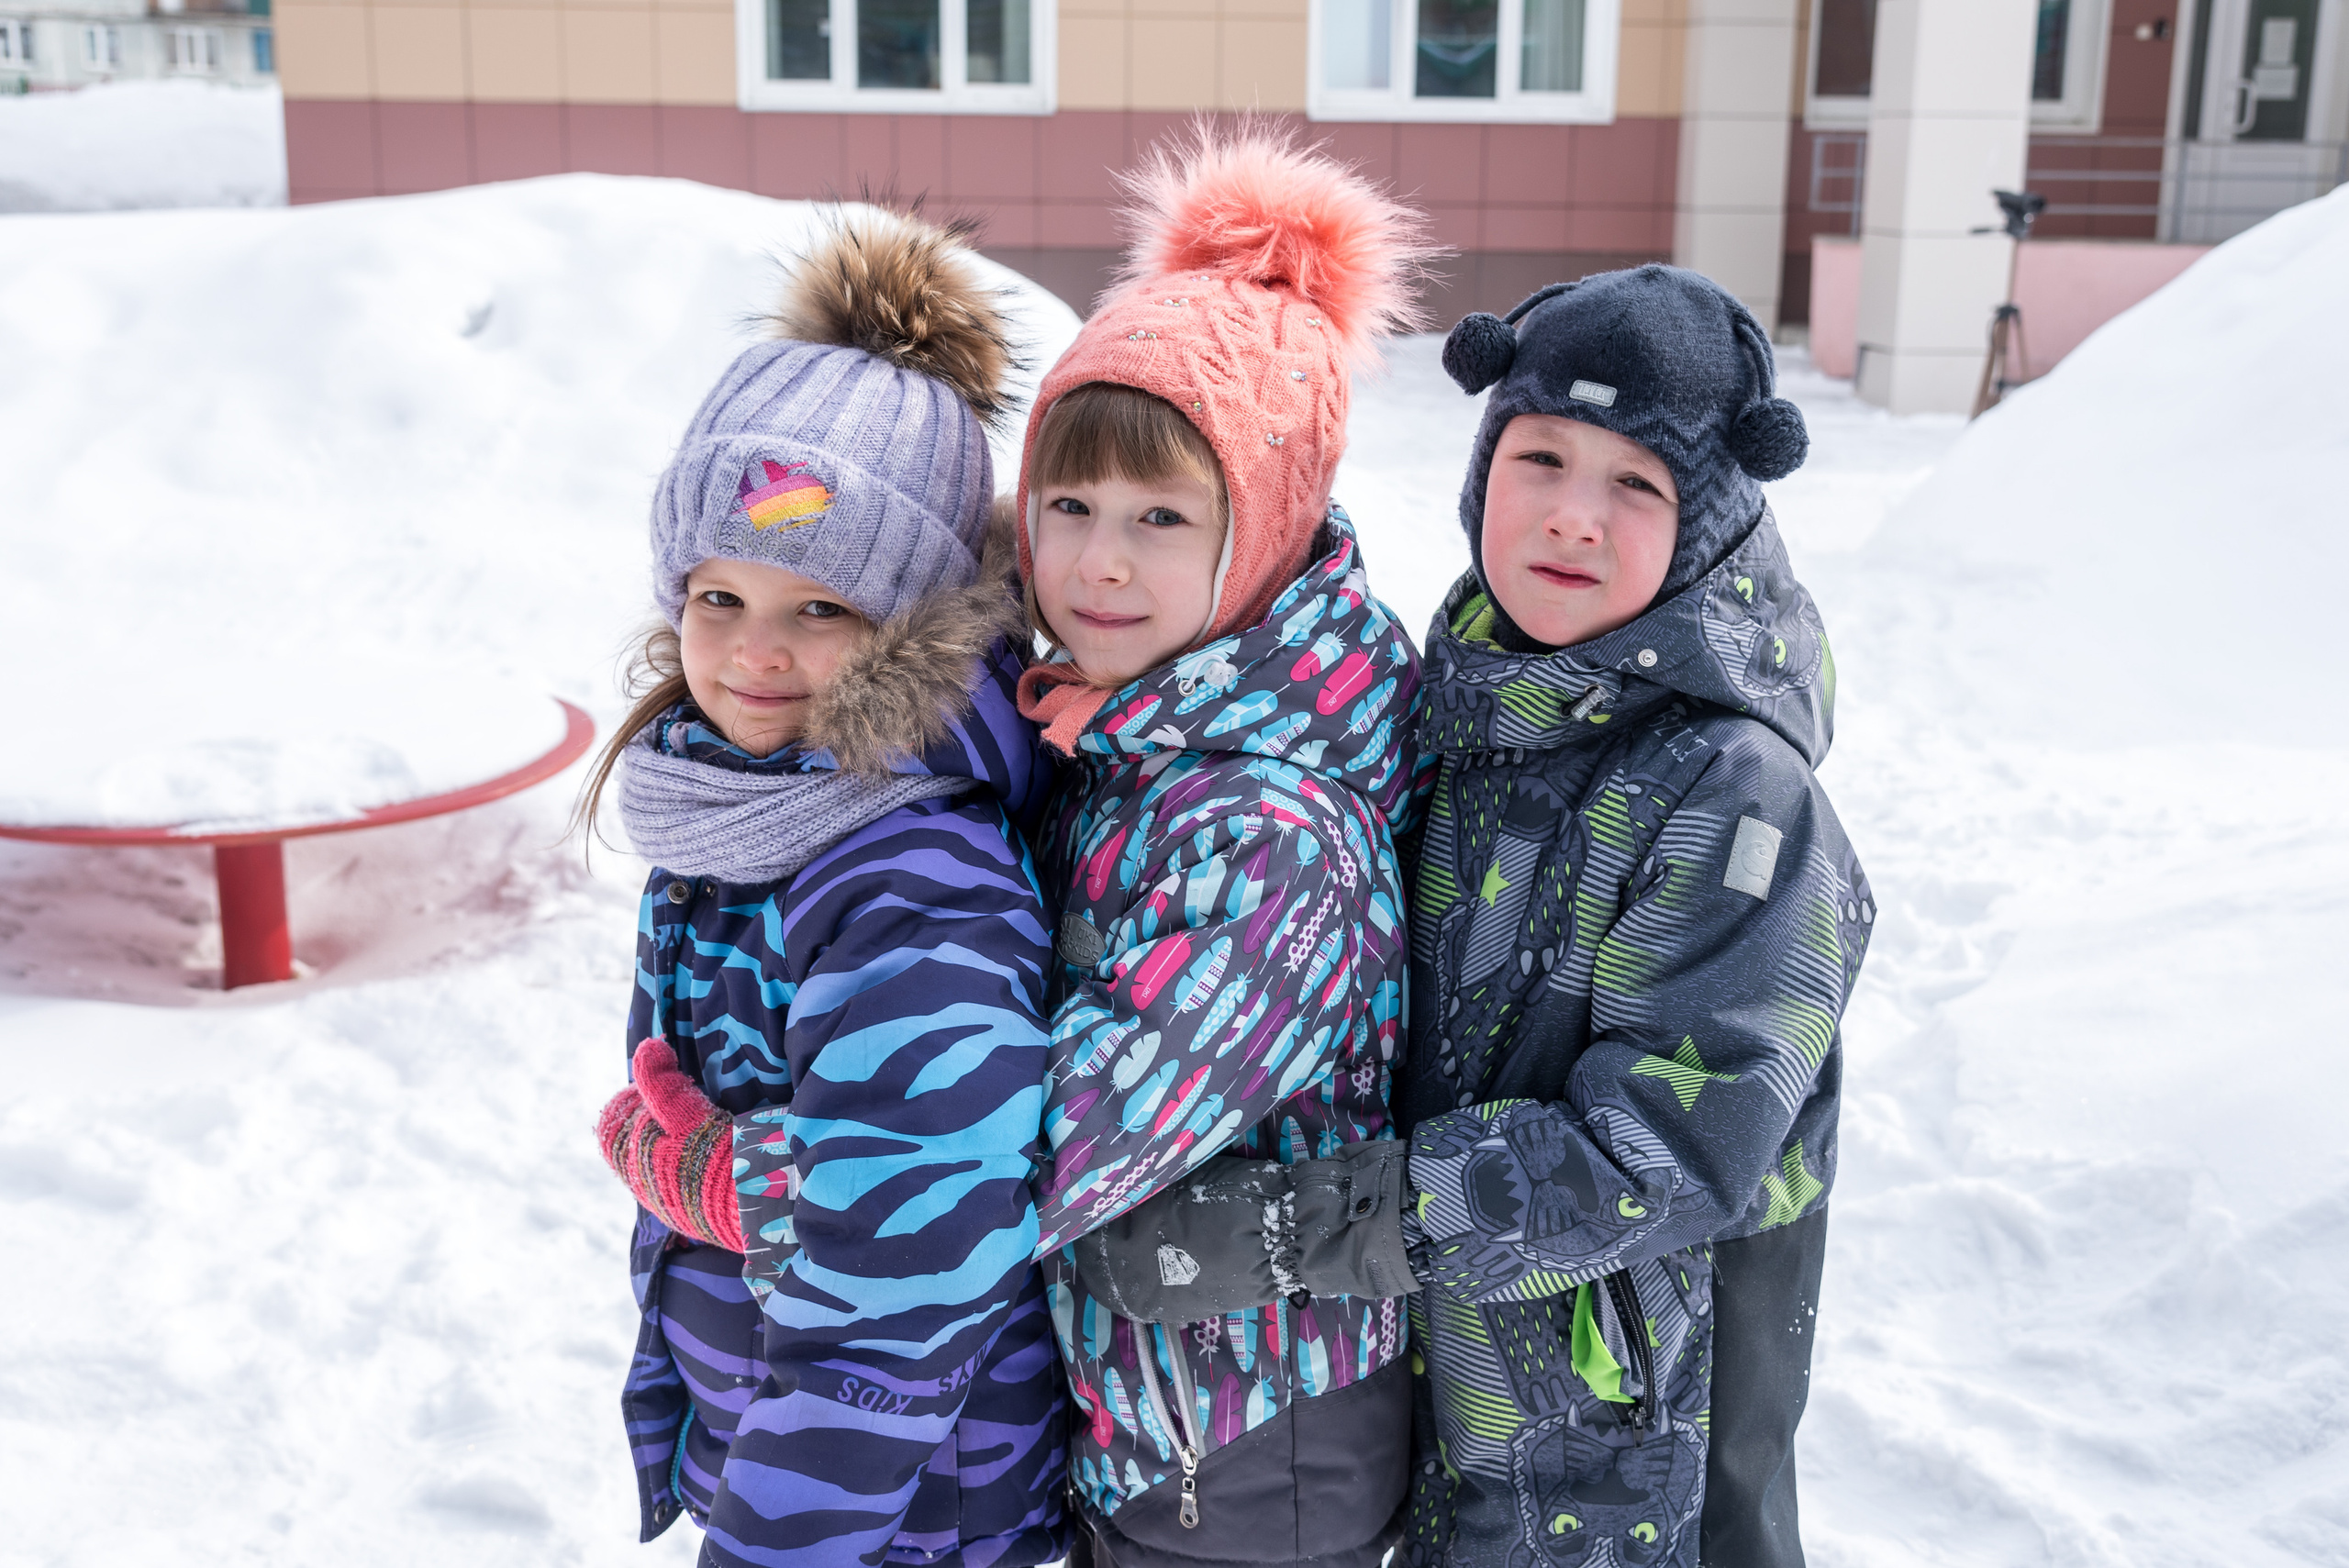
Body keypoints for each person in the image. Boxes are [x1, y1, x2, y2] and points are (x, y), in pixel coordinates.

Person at [1083, 265, 1873, 1568]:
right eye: (1540, 455)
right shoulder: (1459, 712)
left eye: (1638, 484)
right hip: (1441, 1427)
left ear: (1717, 518)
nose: (1572, 515)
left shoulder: (1738, 800)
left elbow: (1662, 1147)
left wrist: (1304, 1228)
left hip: (1625, 1473)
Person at [582, 207, 1067, 1568]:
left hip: (906, 1505)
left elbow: (904, 1282)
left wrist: (772, 1545)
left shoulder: (914, 869)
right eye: (719, 595)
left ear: (910, 626)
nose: (752, 653)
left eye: (821, 608)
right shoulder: (740, 805)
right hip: (803, 1472)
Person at [1004, 126, 1436, 1568]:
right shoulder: (1125, 738)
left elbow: (1073, 1134)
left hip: (1256, 1432)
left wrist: (768, 1181)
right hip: (1165, 1394)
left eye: (1160, 516)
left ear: (1260, 533)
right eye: (1068, 506)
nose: (1099, 561)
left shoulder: (1269, 831)